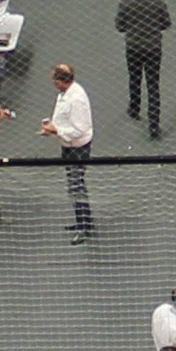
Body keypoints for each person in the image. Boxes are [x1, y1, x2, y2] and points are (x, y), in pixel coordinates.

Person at [117, 0, 173, 135]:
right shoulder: (157, 1)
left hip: (133, 46)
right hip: (153, 47)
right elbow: (166, 23)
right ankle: (154, 124)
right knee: (153, 83)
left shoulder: (125, 2)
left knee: (134, 77)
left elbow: (120, 26)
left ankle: (134, 108)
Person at [52, 62, 97, 239]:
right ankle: (82, 221)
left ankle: (84, 226)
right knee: (74, 185)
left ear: (59, 81)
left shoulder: (76, 99)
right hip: (69, 146)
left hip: (77, 149)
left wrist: (56, 131)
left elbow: (79, 129)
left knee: (76, 185)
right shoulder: (66, 94)